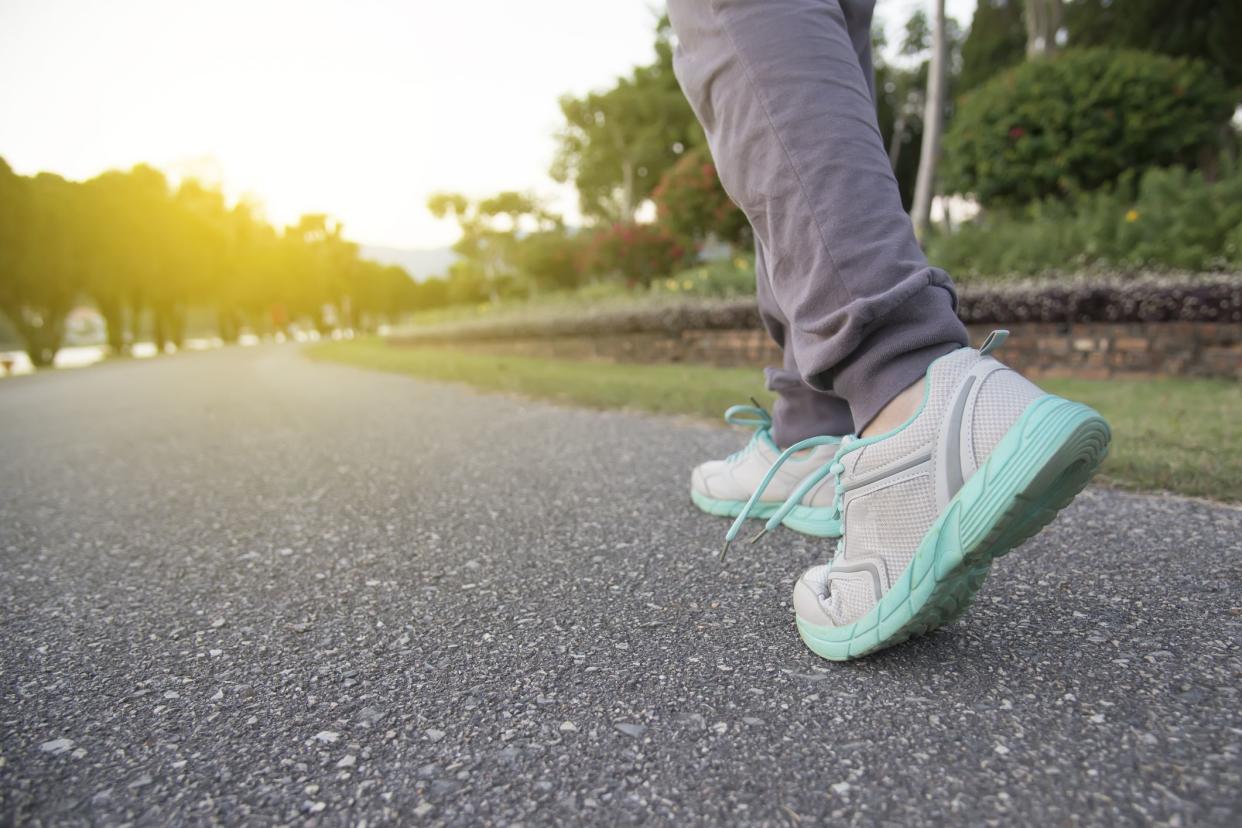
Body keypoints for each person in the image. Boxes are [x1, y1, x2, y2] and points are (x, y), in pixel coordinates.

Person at [670, 0, 1111, 661]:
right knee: (826, 24)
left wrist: (895, 353)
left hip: (904, 363)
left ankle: (907, 389)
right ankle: (817, 424)